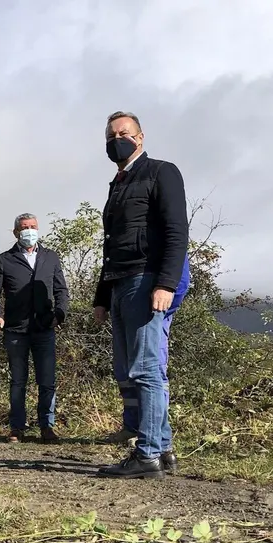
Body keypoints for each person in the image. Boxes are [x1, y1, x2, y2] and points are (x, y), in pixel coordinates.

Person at [93, 111, 189, 478]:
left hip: (146, 279)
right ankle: (162, 448)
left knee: (146, 368)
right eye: (111, 136)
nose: (117, 140)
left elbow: (177, 231)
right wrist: (102, 296)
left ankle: (146, 455)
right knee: (131, 369)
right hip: (121, 282)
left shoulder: (162, 172)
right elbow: (111, 245)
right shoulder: (117, 184)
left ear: (141, 137)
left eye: (124, 133)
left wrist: (166, 283)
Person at [0, 213, 69, 443]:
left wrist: (60, 314)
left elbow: (61, 290)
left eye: (33, 226)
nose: (29, 231)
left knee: (47, 381)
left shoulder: (50, 257)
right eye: (24, 227)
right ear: (16, 232)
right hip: (15, 330)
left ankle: (47, 427)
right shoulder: (4, 260)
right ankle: (17, 427)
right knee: (18, 381)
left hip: (44, 328)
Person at [109, 253, 190, 475]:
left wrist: (163, 299)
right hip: (133, 294)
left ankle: (151, 451)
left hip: (152, 303)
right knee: (132, 372)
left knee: (149, 373)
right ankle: (158, 445)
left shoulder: (164, 244)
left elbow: (179, 276)